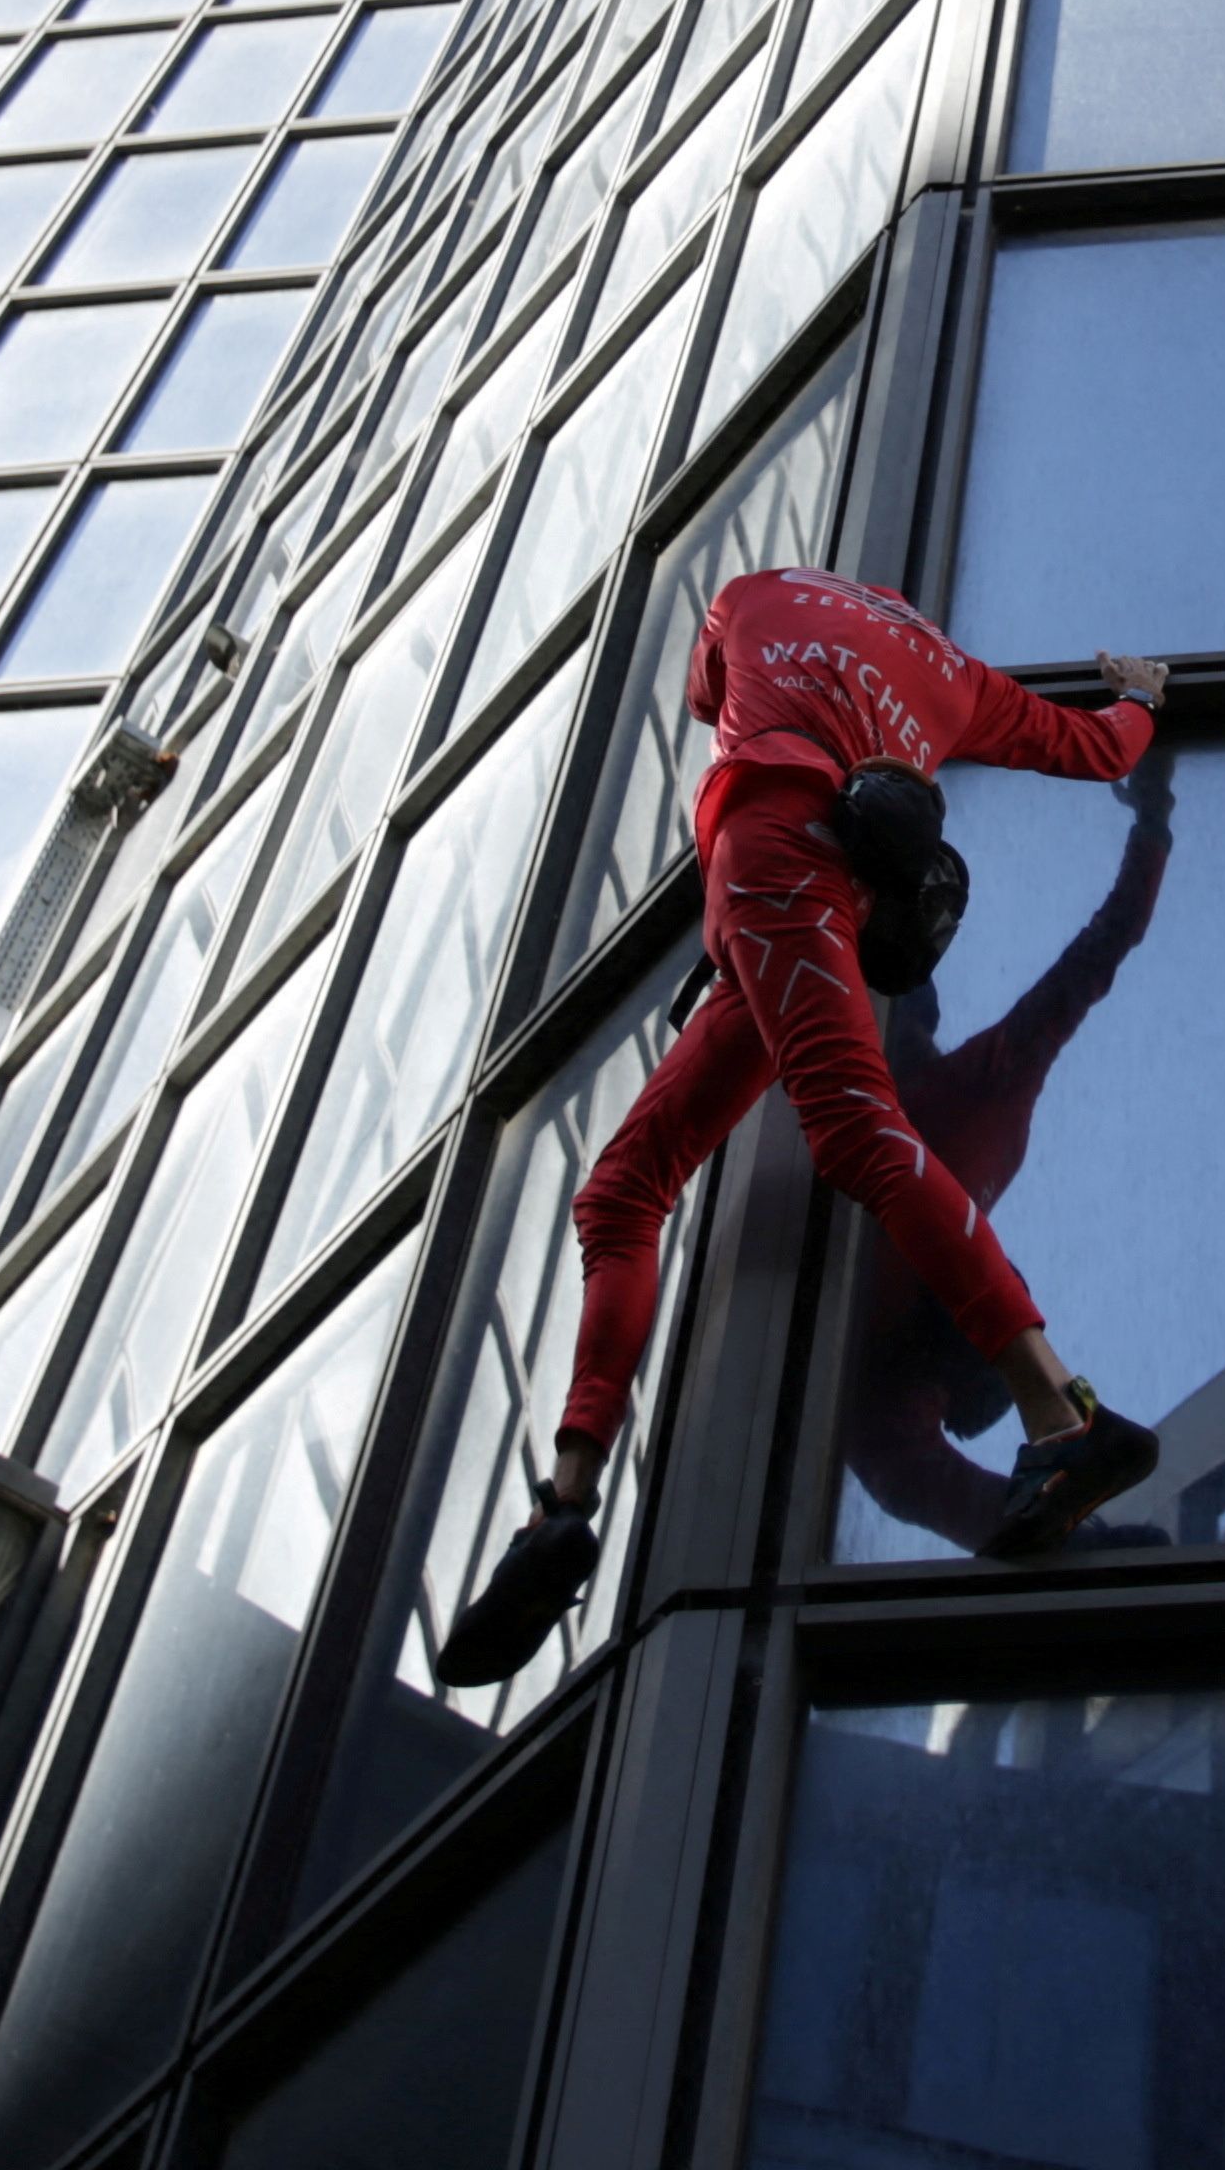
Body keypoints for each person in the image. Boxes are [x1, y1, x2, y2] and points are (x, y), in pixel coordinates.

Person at [436, 571, 1164, 1684]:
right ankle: (561, 1512)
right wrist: (1144, 703)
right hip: (811, 902)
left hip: (774, 859)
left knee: (850, 1136)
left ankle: (1062, 1415)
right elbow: (1099, 749)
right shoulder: (958, 680)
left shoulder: (752, 591)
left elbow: (700, 700)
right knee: (624, 1185)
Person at [837, 734, 1174, 1553]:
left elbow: (936, 1488)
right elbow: (1097, 956)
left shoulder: (890, 1384)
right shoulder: (982, 1108)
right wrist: (1152, 821)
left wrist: (1153, 820)